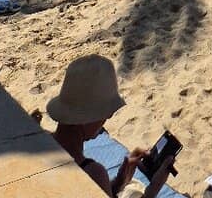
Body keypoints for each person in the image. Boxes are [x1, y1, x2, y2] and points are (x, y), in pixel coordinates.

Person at [47, 54, 175, 196]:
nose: (106, 119)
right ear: (87, 118)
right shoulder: (91, 173)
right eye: (107, 114)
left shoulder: (40, 141)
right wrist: (154, 187)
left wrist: (120, 181)